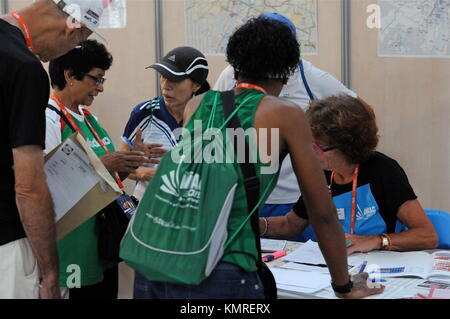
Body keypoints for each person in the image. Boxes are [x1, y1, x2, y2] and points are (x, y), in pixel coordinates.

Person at [134, 17, 384, 299]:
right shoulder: (285, 114)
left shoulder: (198, 104)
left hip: (155, 256)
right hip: (221, 265)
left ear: (235, 64)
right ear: (286, 72)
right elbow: (322, 213)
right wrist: (344, 286)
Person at [214, 12, 357, 242]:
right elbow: (217, 120)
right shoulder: (230, 75)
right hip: (242, 196)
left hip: (293, 198)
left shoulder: (311, 77)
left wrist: (328, 158)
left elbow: (356, 115)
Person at [0, 0, 107, 299]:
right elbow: (29, 188)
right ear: (71, 27)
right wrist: (50, 273)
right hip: (7, 246)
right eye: (78, 42)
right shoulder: (24, 68)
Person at [259, 95, 439, 254]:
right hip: (340, 266)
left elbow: (427, 235)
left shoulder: (383, 170)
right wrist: (252, 225)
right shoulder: (321, 173)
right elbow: (291, 224)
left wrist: (376, 241)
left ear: (345, 147)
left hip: (383, 266)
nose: (308, 152)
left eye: (317, 147)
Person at [45, 39, 150, 299]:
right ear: (70, 75)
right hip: (71, 249)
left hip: (101, 247)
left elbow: (107, 182)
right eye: (97, 79)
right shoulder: (47, 119)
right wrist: (104, 164)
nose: (101, 88)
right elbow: (47, 188)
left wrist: (129, 163)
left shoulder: (91, 120)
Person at [120, 46, 210, 201]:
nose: (166, 85)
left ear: (196, 85)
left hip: (192, 210)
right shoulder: (143, 113)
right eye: (163, 76)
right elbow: (121, 166)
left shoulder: (211, 117)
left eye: (175, 79)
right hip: (148, 208)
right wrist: (144, 173)